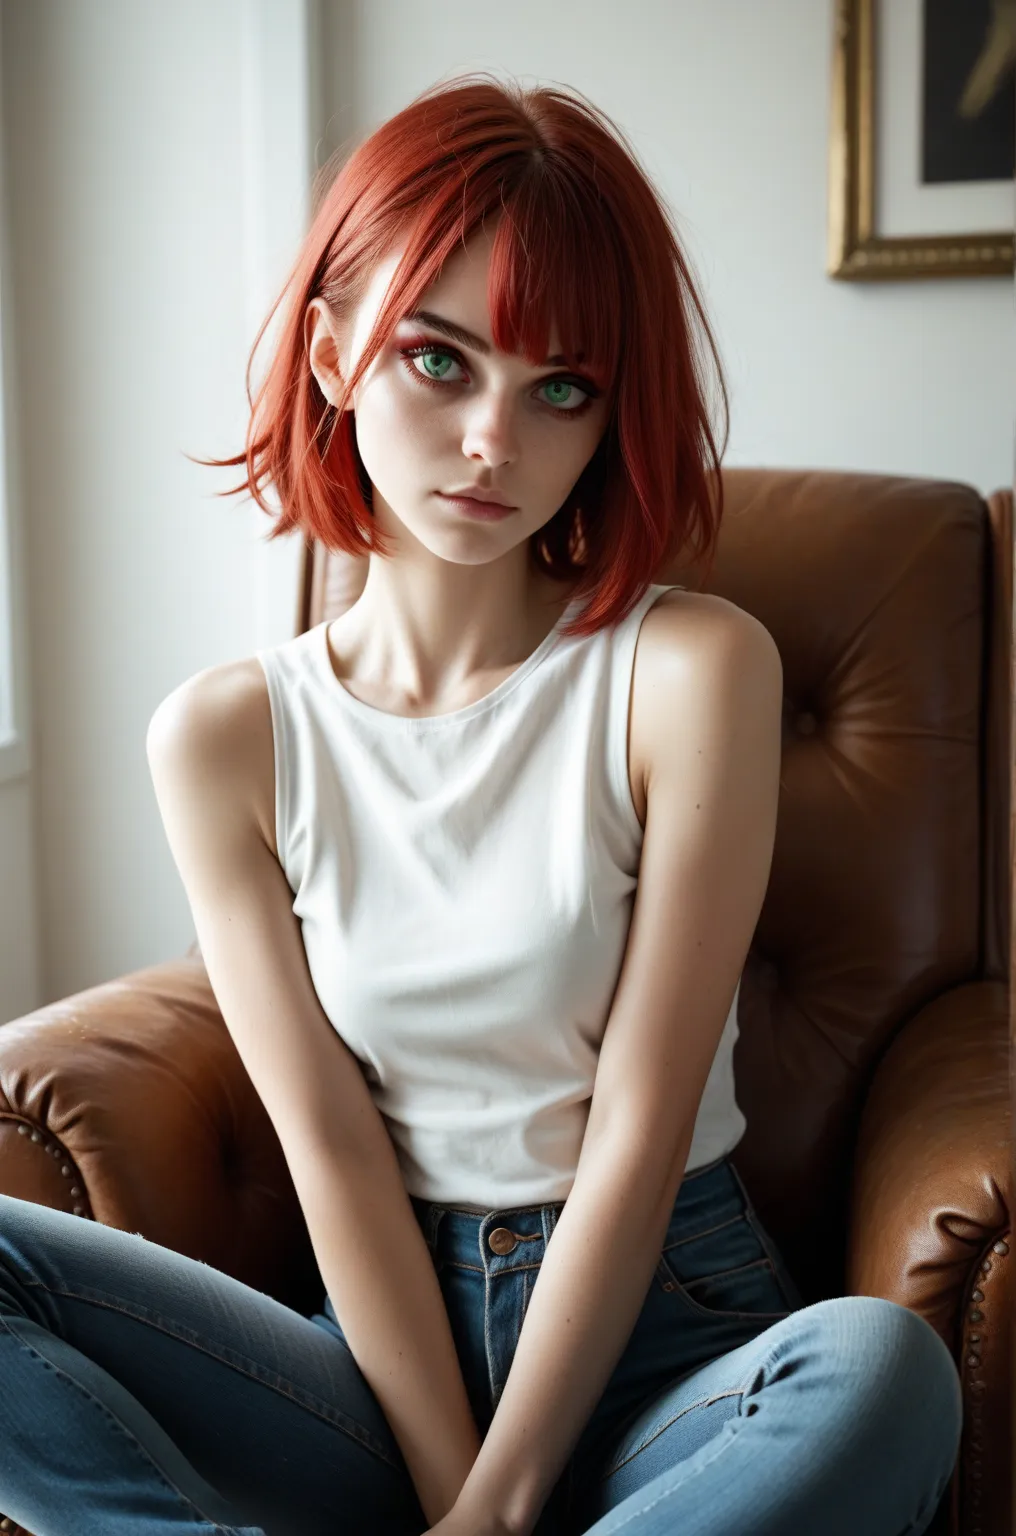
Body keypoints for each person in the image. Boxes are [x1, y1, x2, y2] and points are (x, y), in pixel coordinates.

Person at [0, 74, 961, 1536]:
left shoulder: (689, 672)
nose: (491, 442)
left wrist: (499, 1513)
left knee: (886, 1370)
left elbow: (637, 1128)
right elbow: (326, 1140)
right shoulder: (225, 736)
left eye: (559, 387)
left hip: (669, 1341)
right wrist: (462, 1495)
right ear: (332, 353)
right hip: (386, 1368)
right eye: (437, 362)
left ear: (606, 416)